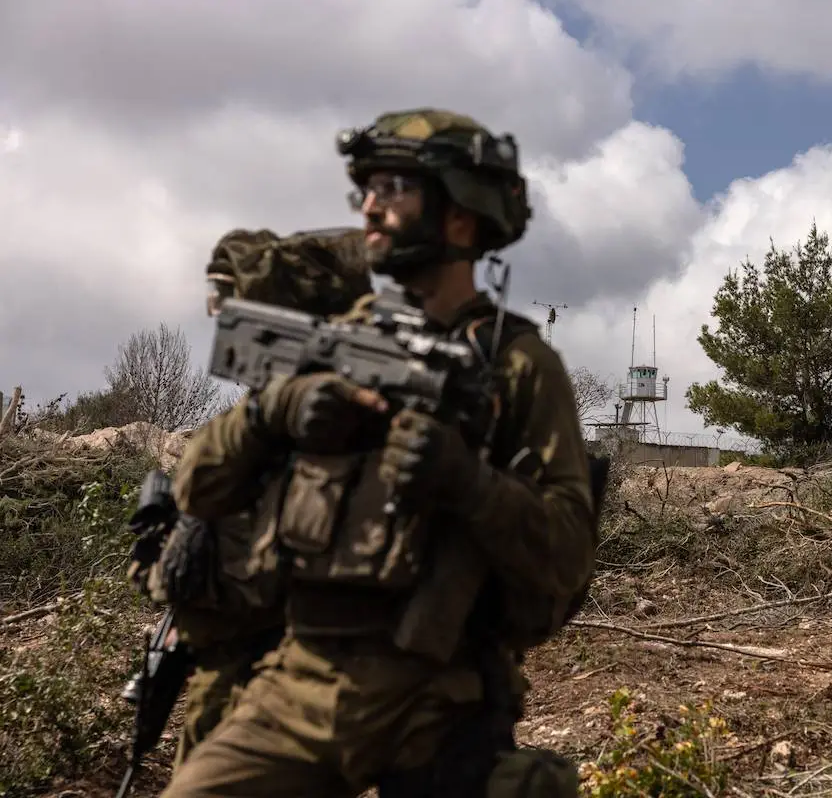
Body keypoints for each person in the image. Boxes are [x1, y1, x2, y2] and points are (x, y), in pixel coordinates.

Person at [160, 108, 596, 798]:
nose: (369, 205)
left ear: (460, 215)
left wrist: (467, 483)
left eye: (393, 187)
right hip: (300, 677)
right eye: (365, 188)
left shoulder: (518, 366)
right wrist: (276, 412)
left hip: (440, 695)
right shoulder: (336, 339)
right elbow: (198, 488)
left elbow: (568, 558)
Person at [128, 226, 374, 772]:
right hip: (228, 658)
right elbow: (201, 488)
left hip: (297, 671)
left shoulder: (347, 415)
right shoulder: (265, 412)